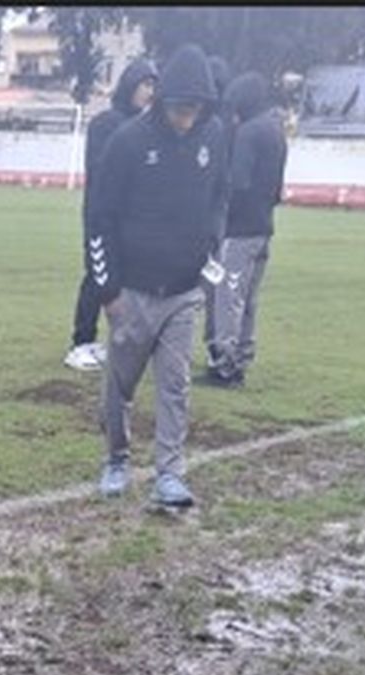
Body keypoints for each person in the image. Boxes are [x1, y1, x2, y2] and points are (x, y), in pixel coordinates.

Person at [86, 42, 228, 512]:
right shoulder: (128, 142)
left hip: (184, 291)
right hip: (132, 290)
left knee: (175, 384)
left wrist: (211, 244)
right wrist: (108, 289)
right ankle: (116, 458)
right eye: (179, 108)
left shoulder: (214, 137)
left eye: (194, 109)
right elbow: (100, 217)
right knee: (120, 385)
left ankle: (170, 473)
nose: (186, 118)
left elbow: (219, 197)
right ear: (164, 101)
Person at [64, 57, 157, 372]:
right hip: (102, 214)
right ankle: (80, 342)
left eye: (153, 86)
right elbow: (102, 171)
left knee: (127, 279)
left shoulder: (146, 127)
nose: (149, 92)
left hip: (133, 218)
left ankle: (121, 340)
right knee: (97, 275)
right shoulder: (105, 124)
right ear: (130, 85)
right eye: (145, 84)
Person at [205, 74, 287, 387]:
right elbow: (277, 188)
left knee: (228, 296)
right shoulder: (276, 131)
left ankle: (225, 365)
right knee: (248, 298)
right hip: (263, 227)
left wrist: (223, 218)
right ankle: (242, 355)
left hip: (240, 229)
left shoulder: (248, 133)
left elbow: (237, 182)